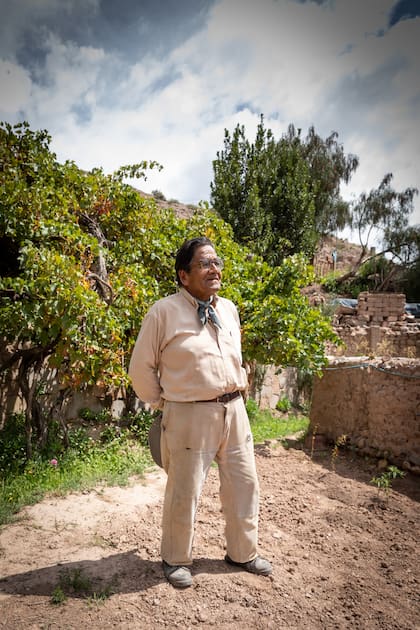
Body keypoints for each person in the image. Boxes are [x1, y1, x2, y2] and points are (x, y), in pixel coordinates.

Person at [128, 236, 272, 588]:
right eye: (204, 264)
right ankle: (176, 558)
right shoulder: (163, 312)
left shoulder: (229, 309)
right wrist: (166, 402)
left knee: (245, 484)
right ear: (184, 275)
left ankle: (243, 552)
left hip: (235, 411)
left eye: (216, 262)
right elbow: (139, 369)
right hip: (189, 415)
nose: (214, 269)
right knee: (185, 490)